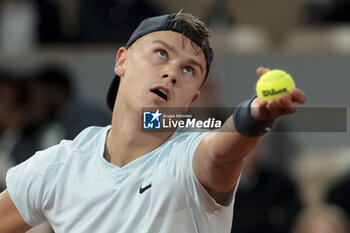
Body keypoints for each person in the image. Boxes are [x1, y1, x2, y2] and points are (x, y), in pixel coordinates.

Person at [0, 12, 306, 232]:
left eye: (189, 70)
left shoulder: (190, 158)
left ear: (192, 100)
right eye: (161, 53)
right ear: (122, 60)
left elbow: (223, 149)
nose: (172, 72)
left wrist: (254, 114)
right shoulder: (58, 166)